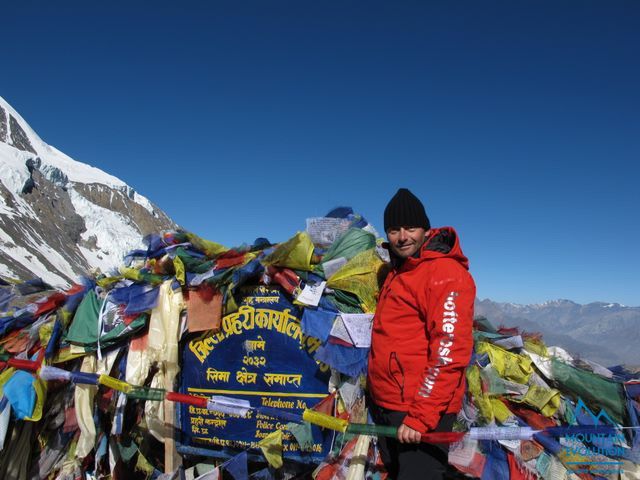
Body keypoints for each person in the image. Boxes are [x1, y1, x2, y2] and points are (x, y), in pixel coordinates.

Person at [367, 188, 475, 480]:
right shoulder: (398, 270)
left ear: (426, 230)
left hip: (420, 409)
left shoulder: (445, 273)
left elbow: (449, 352)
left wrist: (420, 417)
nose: (402, 236)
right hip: (389, 404)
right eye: (393, 229)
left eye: (410, 228)